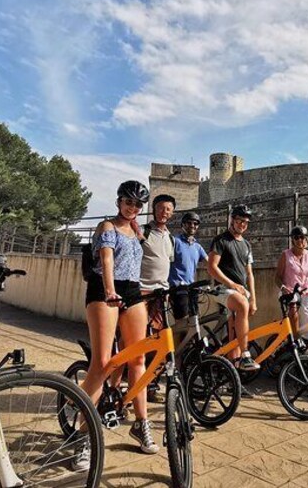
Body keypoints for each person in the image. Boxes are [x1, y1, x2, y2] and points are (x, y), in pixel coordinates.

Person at [74, 180, 158, 471]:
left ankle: (141, 423)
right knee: (103, 362)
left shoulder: (136, 231)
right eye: (128, 202)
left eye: (137, 205)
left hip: (133, 290)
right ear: (119, 201)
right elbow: (107, 260)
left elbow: (137, 265)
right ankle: (83, 436)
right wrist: (110, 290)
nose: (132, 208)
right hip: (103, 290)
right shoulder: (106, 227)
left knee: (138, 360)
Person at [207, 204, 260, 370]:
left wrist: (254, 300)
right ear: (232, 220)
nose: (242, 224)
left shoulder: (247, 245)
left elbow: (249, 274)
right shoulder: (221, 240)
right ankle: (246, 355)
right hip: (223, 289)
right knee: (242, 305)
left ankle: (233, 376)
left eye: (245, 222)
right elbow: (212, 267)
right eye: (239, 221)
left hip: (240, 291)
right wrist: (232, 284)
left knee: (235, 334)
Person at [138, 193, 175, 402]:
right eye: (161, 208)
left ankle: (150, 385)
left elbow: (166, 263)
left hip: (161, 295)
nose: (164, 212)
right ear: (153, 209)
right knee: (138, 340)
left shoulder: (170, 238)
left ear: (172, 212)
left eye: (168, 209)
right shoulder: (143, 232)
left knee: (159, 341)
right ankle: (133, 383)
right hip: (142, 293)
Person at [169, 211, 208, 288]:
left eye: (195, 223)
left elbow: (210, 264)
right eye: (189, 223)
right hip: (176, 287)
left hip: (190, 287)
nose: (192, 225)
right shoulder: (175, 241)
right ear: (182, 225)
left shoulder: (198, 247)